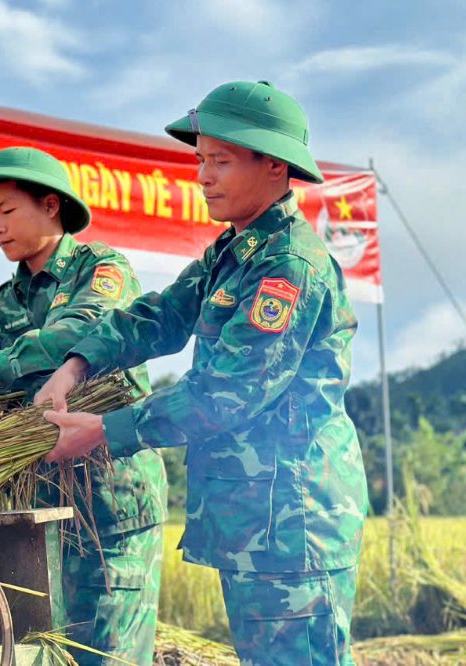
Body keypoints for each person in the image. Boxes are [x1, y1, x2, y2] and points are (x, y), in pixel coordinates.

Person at [35, 81, 369, 665]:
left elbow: (229, 393)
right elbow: (160, 314)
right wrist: (76, 363)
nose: (203, 176)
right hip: (255, 522)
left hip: (294, 525)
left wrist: (104, 432)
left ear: (274, 166)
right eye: (200, 160)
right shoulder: (232, 252)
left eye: (220, 161)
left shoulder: (288, 266)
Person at [0, 147, 167, 665]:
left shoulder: (101, 269)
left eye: (7, 212)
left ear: (50, 205)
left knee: (109, 653)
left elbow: (84, 332)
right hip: (43, 506)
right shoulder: (4, 301)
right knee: (52, 650)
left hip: (111, 504)